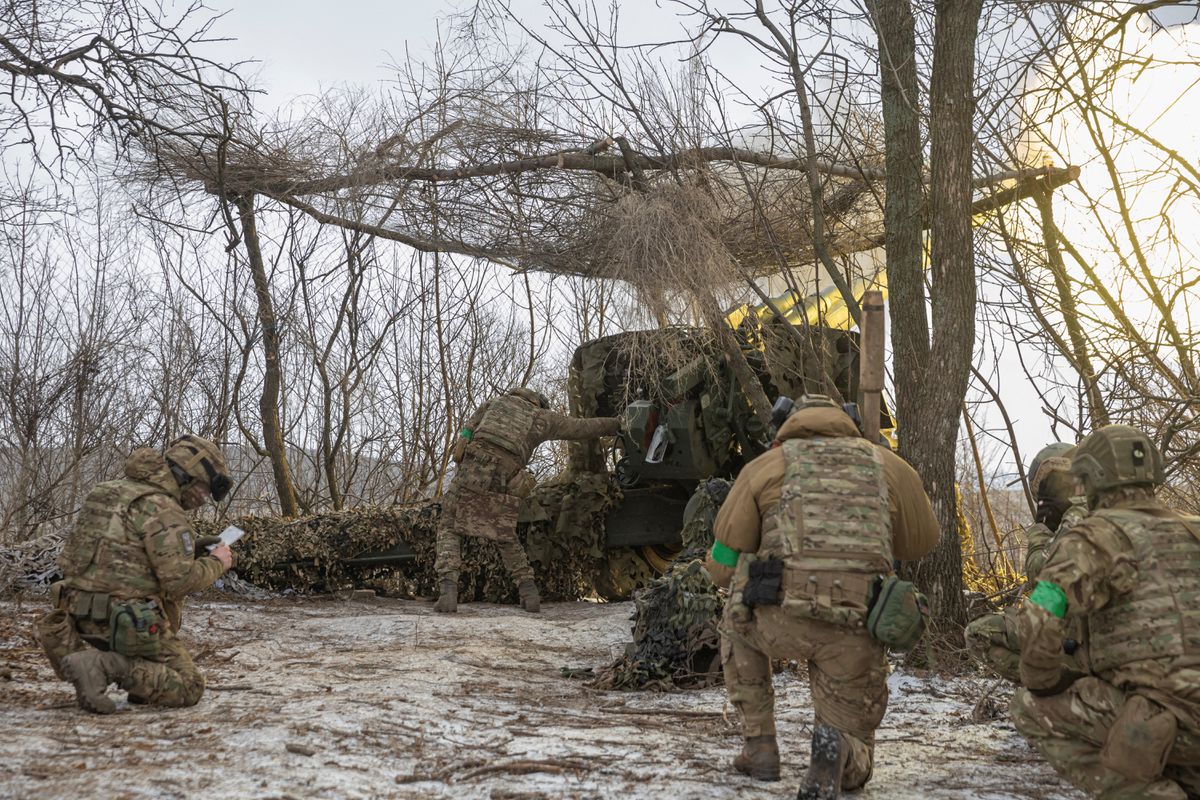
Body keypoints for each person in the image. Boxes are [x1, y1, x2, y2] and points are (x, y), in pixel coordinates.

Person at [705, 396, 938, 800]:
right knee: (854, 756)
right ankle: (839, 752)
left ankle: (759, 745)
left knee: (736, 621)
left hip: (777, 620)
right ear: (846, 423)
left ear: (787, 423)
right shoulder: (887, 465)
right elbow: (922, 543)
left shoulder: (764, 467)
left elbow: (724, 559)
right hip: (855, 628)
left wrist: (735, 568)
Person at [1011, 425, 1200, 799]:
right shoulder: (1193, 528)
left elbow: (1041, 616)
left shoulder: (1094, 536)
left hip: (1162, 719)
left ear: (1091, 478)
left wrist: (1045, 680)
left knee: (1030, 707)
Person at [33, 435, 235, 714]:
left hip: (77, 615)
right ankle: (102, 667)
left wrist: (192, 550)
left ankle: (126, 679)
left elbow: (117, 557)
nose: (202, 500)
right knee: (190, 687)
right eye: (202, 491)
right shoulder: (165, 509)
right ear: (187, 477)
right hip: (125, 624)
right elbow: (179, 583)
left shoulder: (105, 491)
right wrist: (216, 562)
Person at [434, 387, 619, 613]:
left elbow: (468, 430)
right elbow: (582, 428)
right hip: (507, 472)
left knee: (450, 526)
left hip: (474, 464)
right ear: (539, 403)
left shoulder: (496, 402)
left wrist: (465, 439)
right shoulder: (543, 418)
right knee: (504, 534)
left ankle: (448, 593)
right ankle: (528, 592)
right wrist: (617, 424)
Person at [964, 442, 1088, 681]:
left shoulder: (1078, 514)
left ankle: (1066, 694)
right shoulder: (1110, 505)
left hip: (1093, 639)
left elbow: (1041, 574)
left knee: (979, 633)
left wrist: (1041, 532)